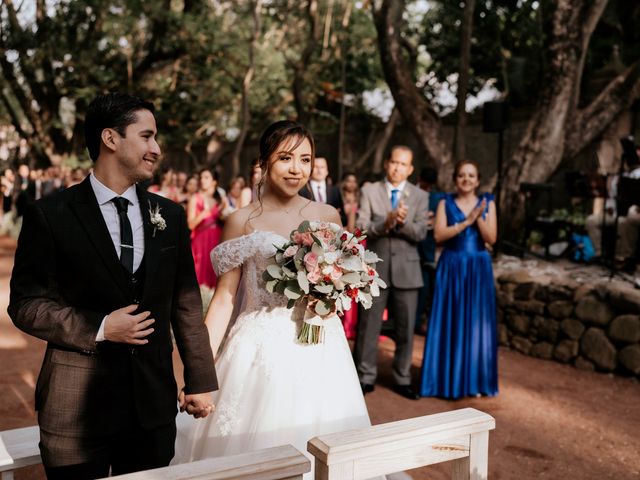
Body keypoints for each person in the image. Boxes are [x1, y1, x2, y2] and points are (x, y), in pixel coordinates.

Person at [8, 92, 217, 480]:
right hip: (75, 409)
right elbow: (25, 304)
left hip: (151, 407)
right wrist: (101, 327)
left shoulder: (168, 215)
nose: (156, 148)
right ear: (110, 139)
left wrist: (200, 380)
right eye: (146, 136)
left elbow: (186, 304)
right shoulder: (51, 214)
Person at [173, 121, 373, 476]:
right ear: (264, 162)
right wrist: (197, 373)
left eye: (305, 159)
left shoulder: (327, 216)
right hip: (258, 347)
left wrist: (327, 293)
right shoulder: (241, 221)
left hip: (322, 346)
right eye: (285, 158)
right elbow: (222, 302)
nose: (297, 169)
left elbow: (343, 280)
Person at [354, 145, 429, 400]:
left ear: (410, 169)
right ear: (387, 163)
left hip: (408, 271)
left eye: (403, 164)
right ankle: (365, 376)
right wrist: (385, 222)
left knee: (406, 328)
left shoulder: (420, 195)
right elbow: (361, 226)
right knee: (368, 326)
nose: (397, 168)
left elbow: (421, 233)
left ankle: (402, 377)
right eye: (394, 162)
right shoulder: (369, 190)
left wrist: (403, 222)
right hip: (375, 269)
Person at [420, 160, 498, 399]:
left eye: (471, 175)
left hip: (478, 267)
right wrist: (466, 221)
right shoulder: (445, 201)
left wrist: (478, 217)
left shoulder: (488, 203)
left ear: (477, 180)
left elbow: (491, 238)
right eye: (462, 175)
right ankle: (445, 380)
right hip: (452, 264)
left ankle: (473, 381)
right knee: (450, 319)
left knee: (476, 323)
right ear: (455, 179)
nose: (466, 179)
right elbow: (439, 235)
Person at [415, 167, 443, 335]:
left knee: (428, 290)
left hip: (430, 250)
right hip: (415, 249)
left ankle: (422, 322)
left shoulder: (438, 198)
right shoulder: (411, 193)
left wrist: (435, 221)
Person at [188, 168, 226, 289]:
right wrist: (204, 213)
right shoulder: (195, 198)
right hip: (200, 241)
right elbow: (190, 225)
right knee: (199, 271)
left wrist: (223, 215)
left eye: (206, 177)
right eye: (201, 177)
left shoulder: (220, 200)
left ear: (214, 181)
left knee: (214, 271)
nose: (202, 180)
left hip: (216, 240)